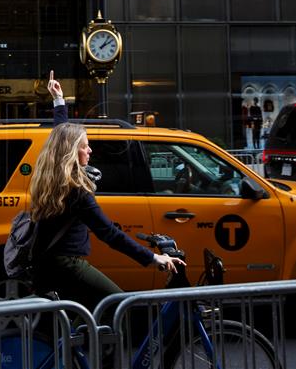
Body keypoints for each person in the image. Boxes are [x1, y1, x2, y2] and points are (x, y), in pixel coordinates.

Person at [29, 71, 185, 313]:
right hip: (65, 265)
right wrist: (154, 259)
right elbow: (110, 235)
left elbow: (61, 135)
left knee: (91, 315)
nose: (90, 150)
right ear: (72, 153)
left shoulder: (55, 178)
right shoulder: (76, 190)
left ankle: (86, 345)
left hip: (47, 263)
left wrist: (59, 101)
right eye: (85, 146)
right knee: (119, 304)